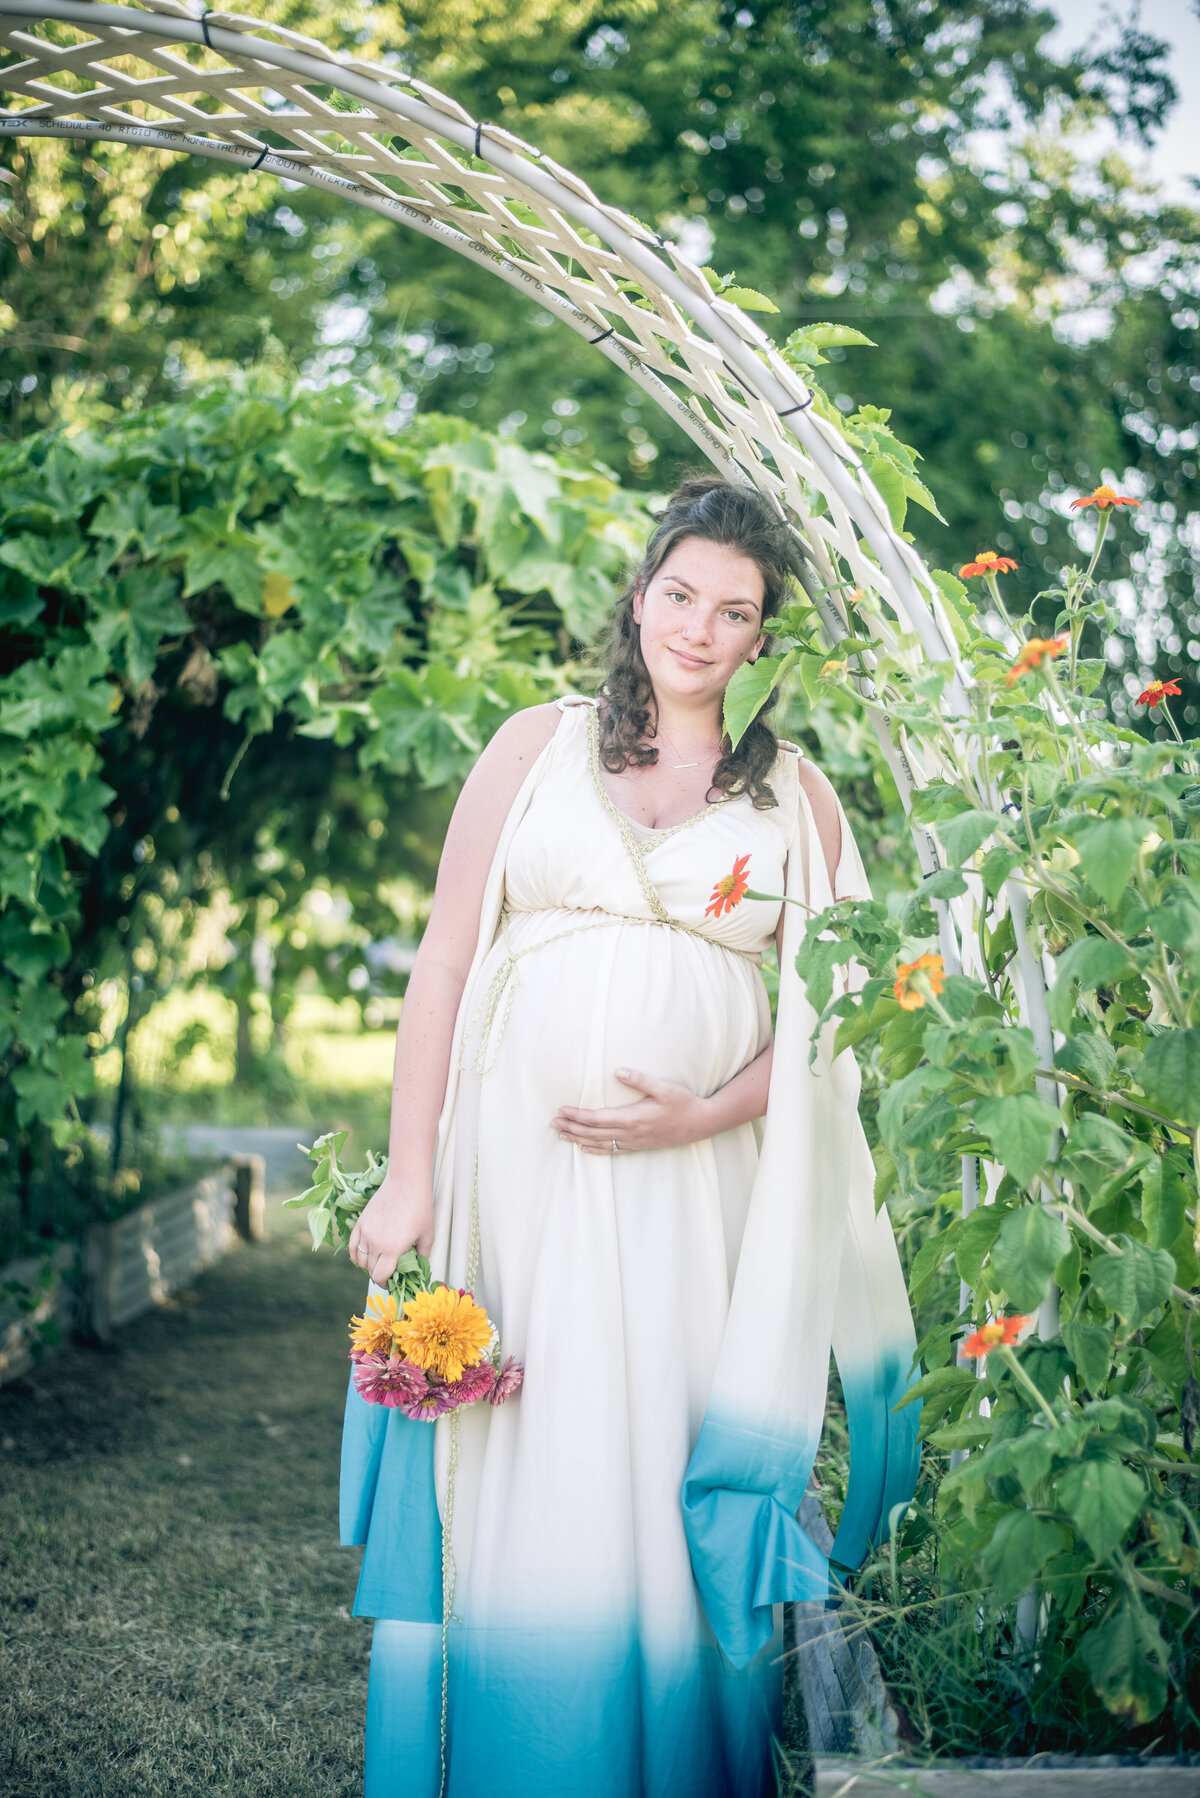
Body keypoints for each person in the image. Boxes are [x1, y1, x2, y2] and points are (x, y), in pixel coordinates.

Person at [340, 477, 919, 1798]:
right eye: (681, 594)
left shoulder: (795, 805)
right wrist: (412, 1166)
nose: (700, 629)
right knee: (517, 1454)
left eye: (735, 610)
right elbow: (441, 963)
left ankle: (659, 1760)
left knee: (655, 1463)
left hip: (691, 1200)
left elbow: (845, 1022)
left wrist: (701, 1111)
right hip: (512, 1187)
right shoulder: (531, 749)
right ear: (641, 594)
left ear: (762, 637)